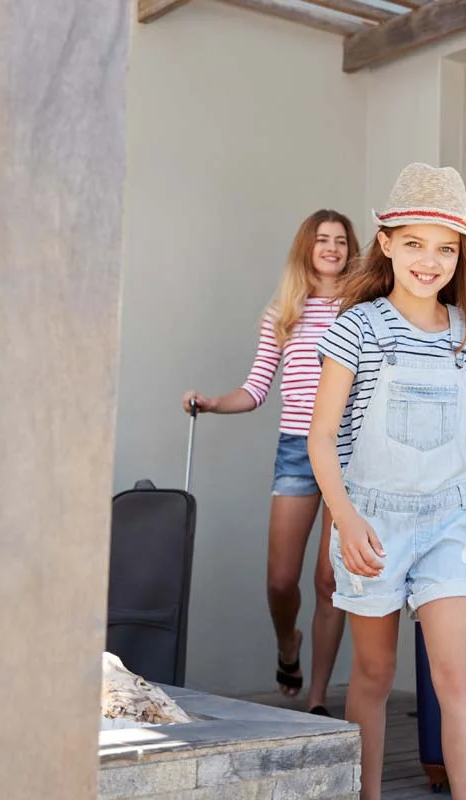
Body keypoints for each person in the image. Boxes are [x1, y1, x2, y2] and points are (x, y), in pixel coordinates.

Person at [309, 163, 466, 800]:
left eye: (445, 248)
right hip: (373, 522)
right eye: (415, 244)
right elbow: (321, 440)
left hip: (449, 523)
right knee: (373, 671)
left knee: (458, 679)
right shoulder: (356, 328)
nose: (430, 261)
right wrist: (345, 519)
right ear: (386, 243)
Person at [183, 209, 359, 716]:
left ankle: (319, 699)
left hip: (350, 453)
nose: (331, 248)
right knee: (282, 580)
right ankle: (289, 645)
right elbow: (257, 388)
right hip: (298, 450)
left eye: (341, 241)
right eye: (322, 240)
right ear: (307, 248)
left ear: (351, 251)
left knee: (330, 581)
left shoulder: (364, 307)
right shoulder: (284, 312)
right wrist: (214, 402)